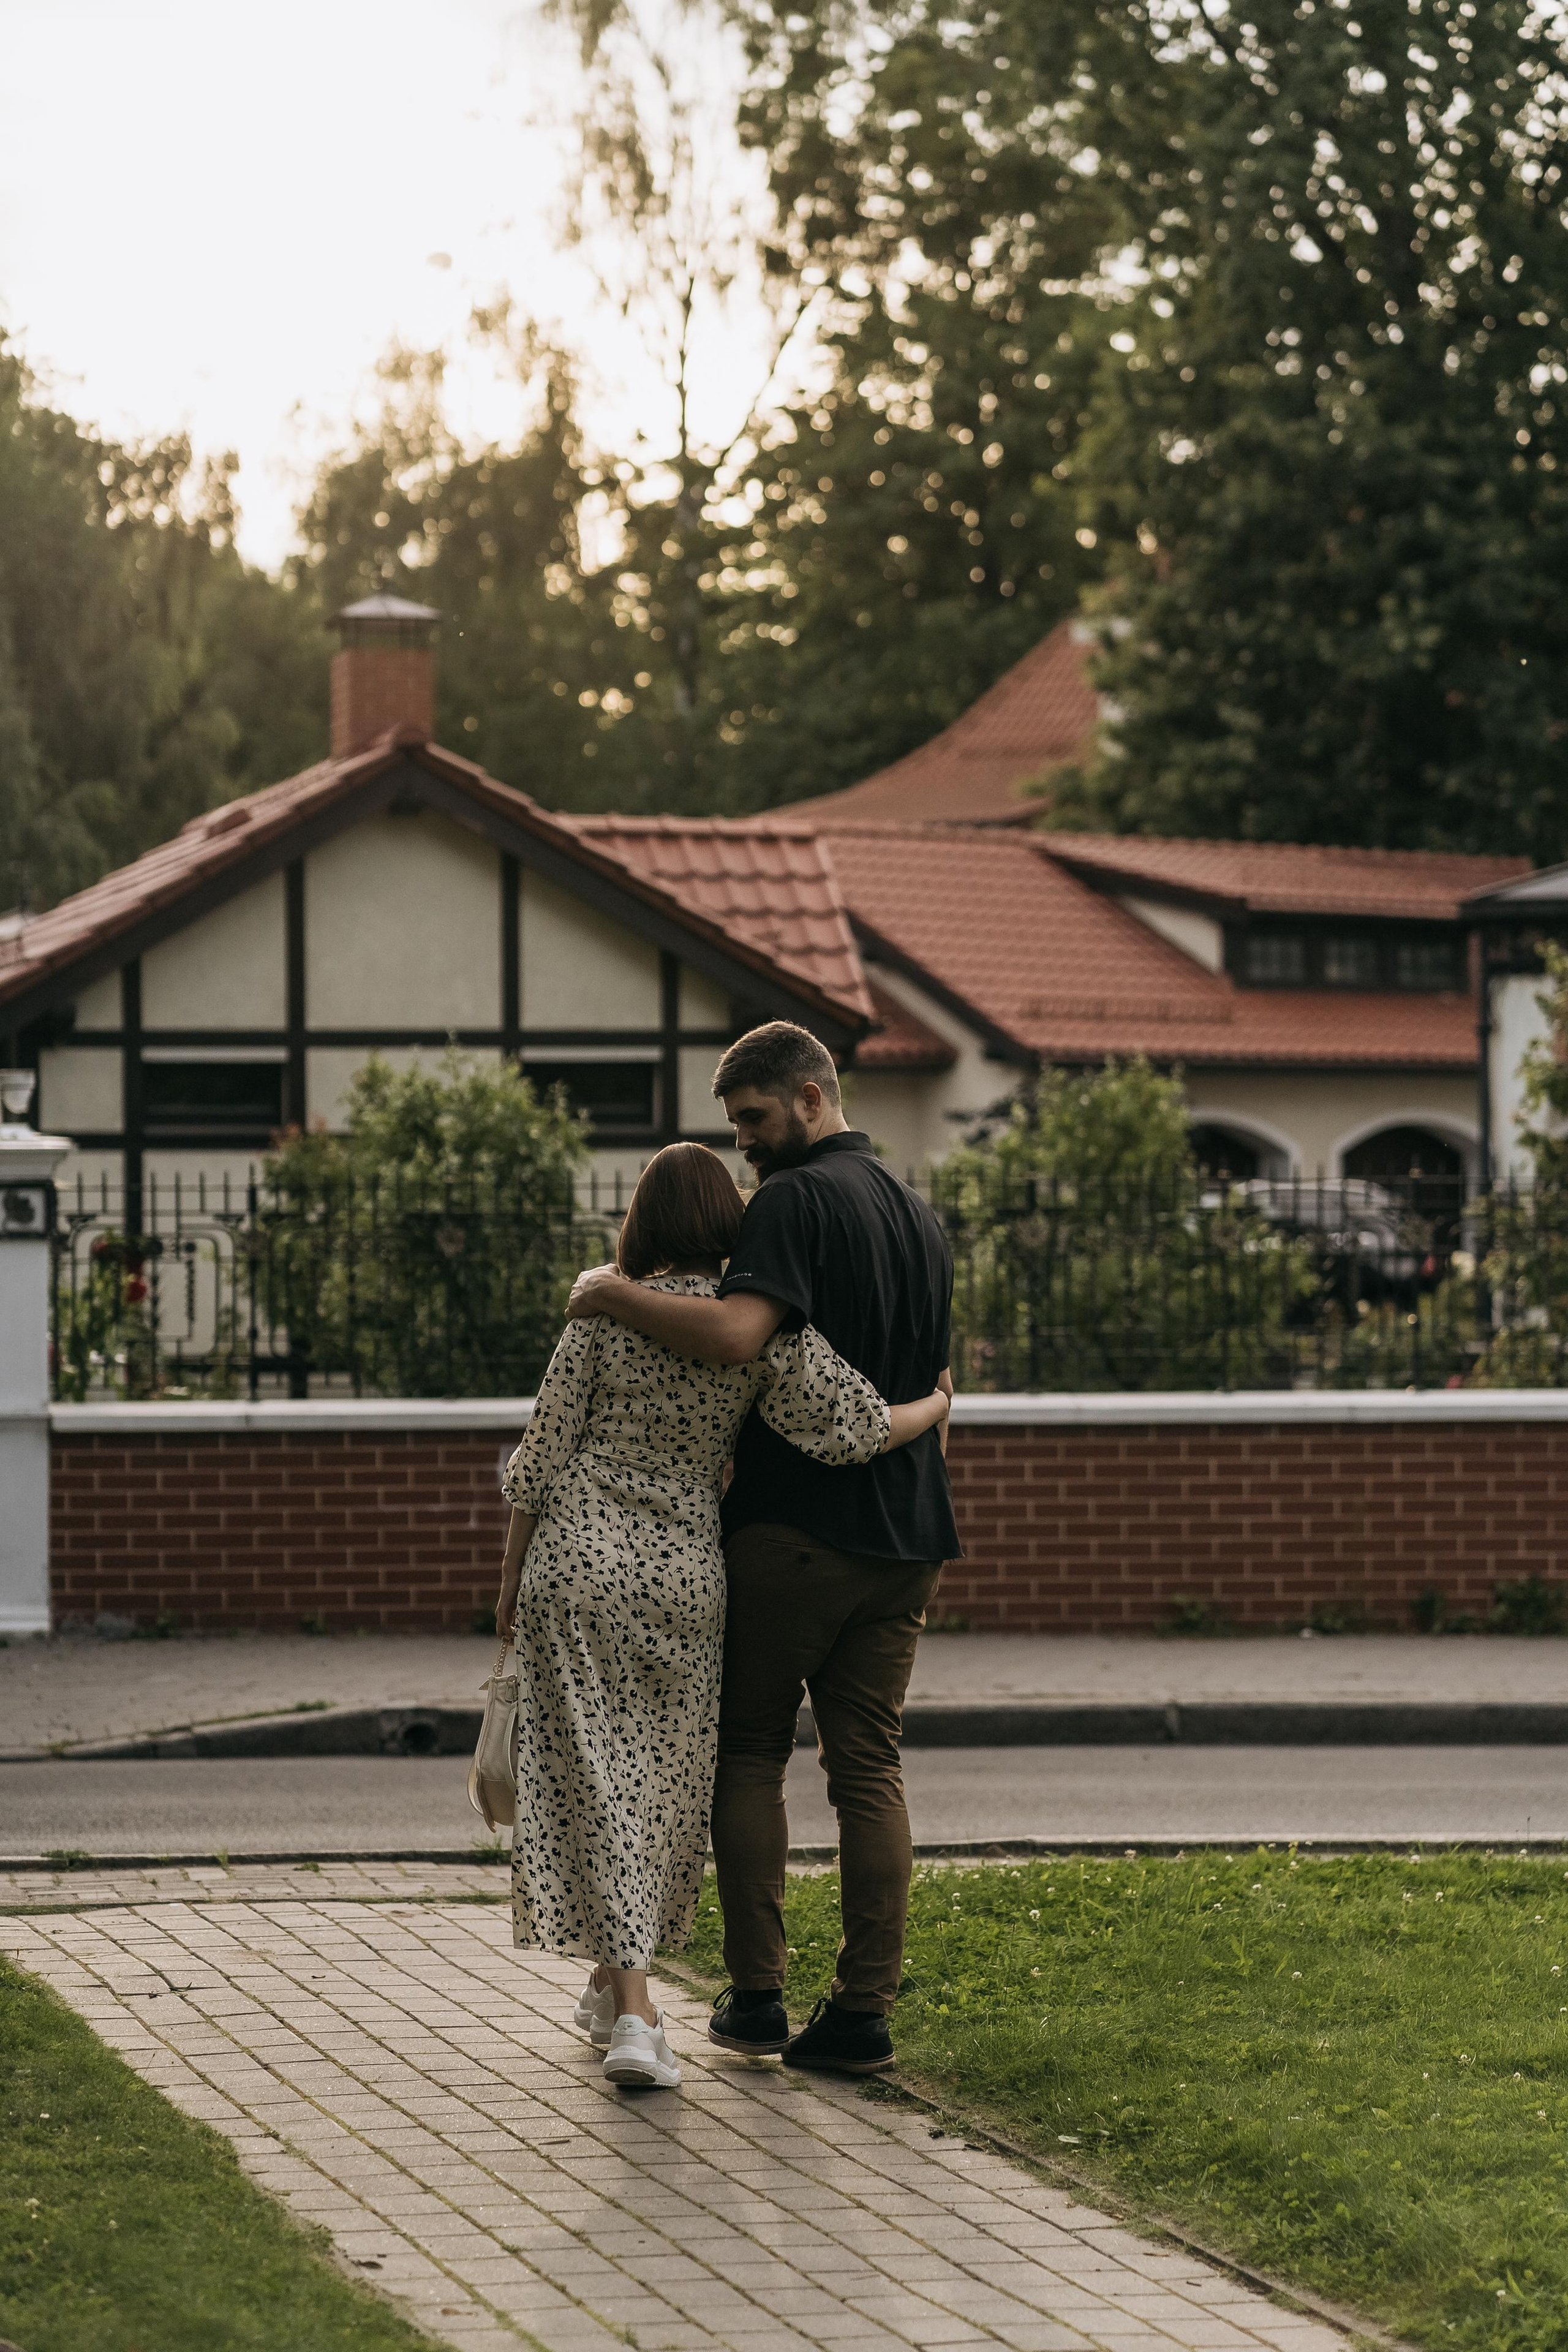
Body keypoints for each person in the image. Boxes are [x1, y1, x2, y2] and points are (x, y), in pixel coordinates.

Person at [496, 1140, 949, 2094]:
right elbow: (859, 1424)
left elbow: (538, 1464)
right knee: (661, 1786)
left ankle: (640, 2014)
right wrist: (934, 1408)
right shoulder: (767, 1333)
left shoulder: (600, 1315)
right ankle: (617, 1988)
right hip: (686, 1576)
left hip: (577, 1562)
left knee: (601, 1779)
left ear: (644, 1221)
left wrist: (509, 1585)